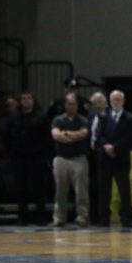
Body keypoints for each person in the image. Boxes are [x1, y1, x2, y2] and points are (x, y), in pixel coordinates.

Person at [4, 91, 51, 224]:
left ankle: (41, 216)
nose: (26, 101)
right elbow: (6, 138)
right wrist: (11, 153)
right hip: (19, 158)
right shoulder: (13, 118)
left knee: (39, 189)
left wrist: (44, 155)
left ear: (33, 100)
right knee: (21, 188)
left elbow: (47, 139)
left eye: (29, 98)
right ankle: (23, 217)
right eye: (23, 98)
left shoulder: (42, 117)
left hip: (37, 158)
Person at [95, 90, 132, 229]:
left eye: (118, 100)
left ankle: (126, 219)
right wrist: (106, 147)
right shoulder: (104, 117)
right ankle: (103, 219)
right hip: (106, 159)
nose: (116, 102)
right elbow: (99, 135)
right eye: (113, 100)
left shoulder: (130, 118)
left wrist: (115, 148)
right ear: (110, 101)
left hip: (121, 159)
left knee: (124, 191)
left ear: (123, 101)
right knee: (104, 190)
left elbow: (130, 138)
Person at [50, 93, 90, 227]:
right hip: (61, 158)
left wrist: (65, 134)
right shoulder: (58, 119)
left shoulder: (83, 120)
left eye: (74, 104)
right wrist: (73, 136)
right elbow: (56, 135)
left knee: (81, 190)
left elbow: (83, 134)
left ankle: (82, 217)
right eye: (69, 104)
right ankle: (59, 218)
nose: (71, 106)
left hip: (78, 158)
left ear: (77, 105)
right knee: (60, 189)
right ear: (65, 105)